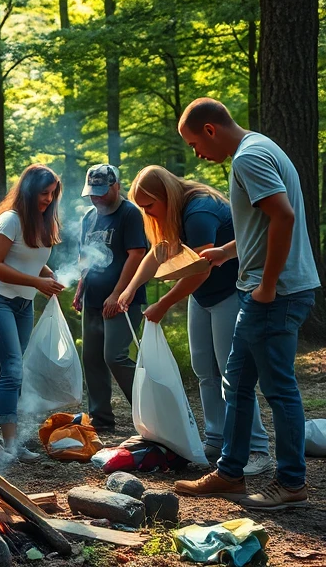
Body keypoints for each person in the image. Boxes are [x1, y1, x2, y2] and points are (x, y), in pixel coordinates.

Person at [172, 98, 320, 509]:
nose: (198, 154)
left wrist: (268, 284)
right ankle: (230, 473)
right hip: (262, 289)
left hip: (275, 293)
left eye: (194, 143)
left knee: (279, 389)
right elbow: (265, 223)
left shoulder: (248, 157)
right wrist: (226, 251)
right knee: (235, 383)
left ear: (210, 130)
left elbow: (284, 217)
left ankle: (291, 483)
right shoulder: (260, 147)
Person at [117, 165, 273, 475]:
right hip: (203, 297)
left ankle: (256, 448)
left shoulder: (198, 210)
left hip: (230, 291)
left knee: (232, 373)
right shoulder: (172, 214)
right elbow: (158, 252)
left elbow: (201, 268)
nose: (147, 214)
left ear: (165, 196)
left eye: (149, 206)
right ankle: (216, 439)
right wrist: (131, 287)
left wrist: (164, 303)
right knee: (205, 370)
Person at [0, 164, 64, 463]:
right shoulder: (10, 220)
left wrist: (48, 275)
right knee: (13, 369)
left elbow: (29, 259)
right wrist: (37, 282)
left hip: (22, 304)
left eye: (53, 194)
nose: (49, 200)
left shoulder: (42, 222)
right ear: (28, 192)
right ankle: (11, 445)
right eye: (44, 194)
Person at [72, 164, 148, 433]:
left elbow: (137, 254)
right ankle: (101, 420)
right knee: (92, 359)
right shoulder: (89, 218)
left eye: (103, 191)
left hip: (124, 300)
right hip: (93, 299)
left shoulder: (130, 214)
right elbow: (86, 257)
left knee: (115, 356)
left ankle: (149, 414)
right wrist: (81, 286)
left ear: (116, 186)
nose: (97, 197)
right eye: (93, 192)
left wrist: (117, 294)